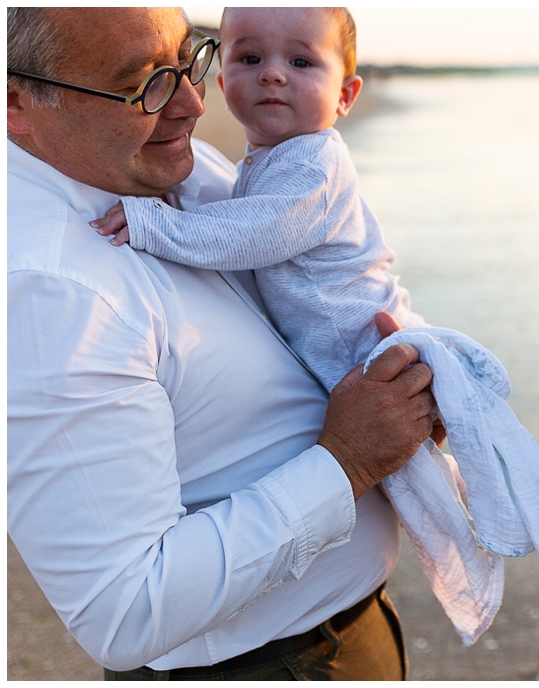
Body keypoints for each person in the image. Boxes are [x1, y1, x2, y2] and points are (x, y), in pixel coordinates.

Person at [7, 7, 435, 680]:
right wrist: (348, 461)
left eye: (190, 59)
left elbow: (327, 287)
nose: (193, 102)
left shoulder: (180, 166)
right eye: (145, 83)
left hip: (348, 633)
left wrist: (403, 372)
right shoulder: (48, 290)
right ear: (16, 102)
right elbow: (123, 612)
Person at [90, 8, 423, 390]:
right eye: (250, 59)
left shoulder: (316, 166)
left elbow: (253, 233)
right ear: (223, 81)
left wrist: (154, 223)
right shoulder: (270, 157)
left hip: (357, 347)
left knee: (397, 439)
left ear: (344, 95)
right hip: (332, 349)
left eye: (300, 61)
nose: (271, 74)